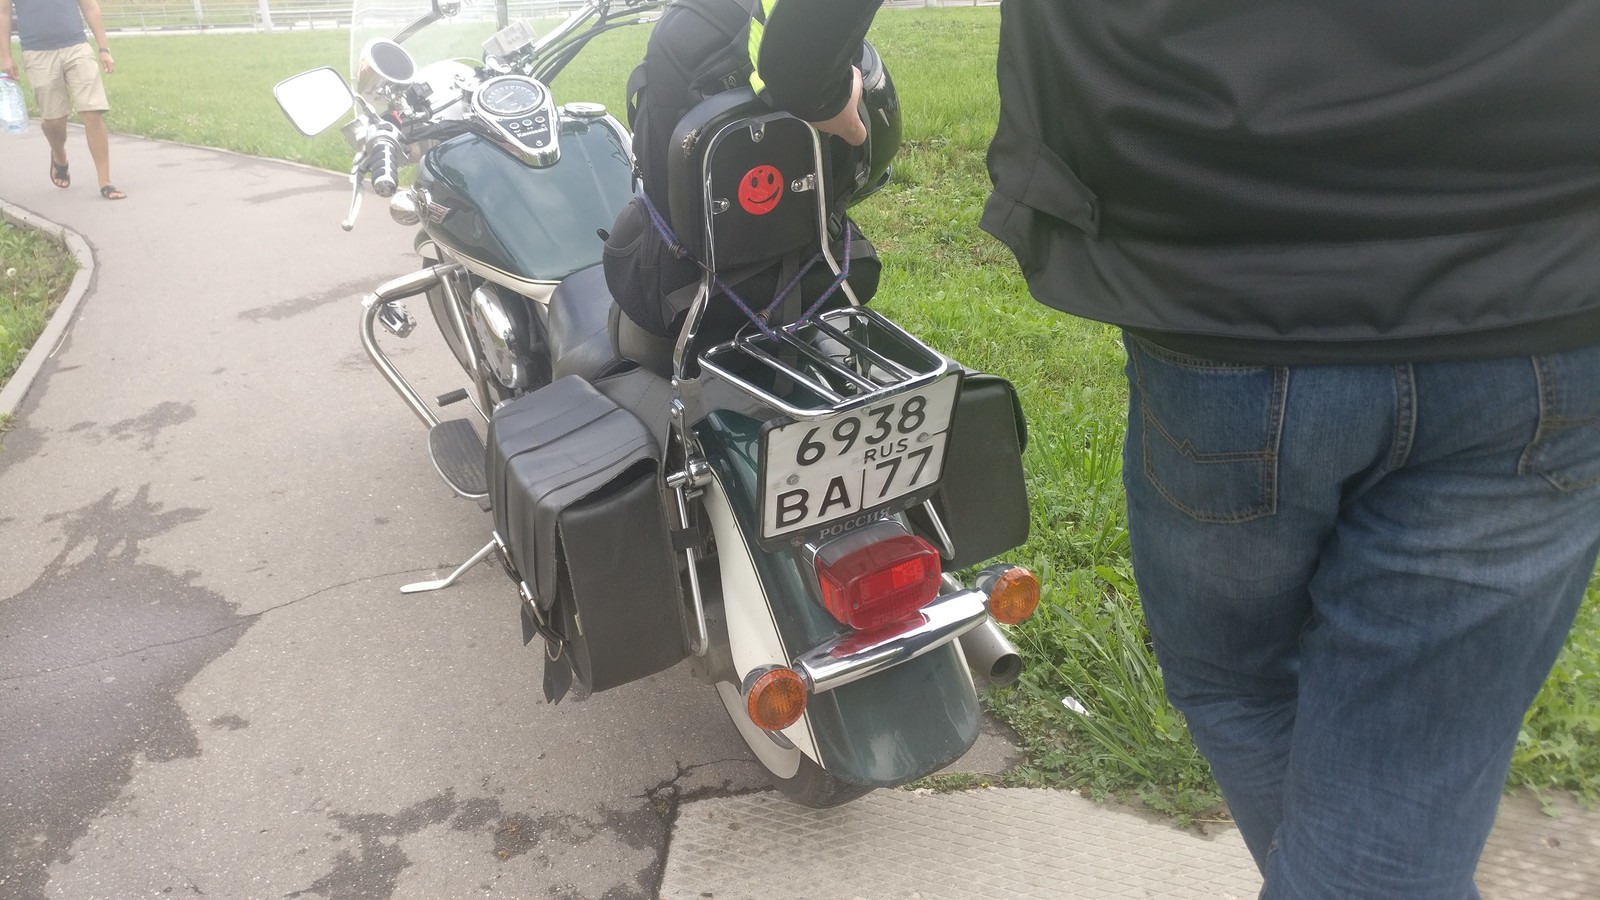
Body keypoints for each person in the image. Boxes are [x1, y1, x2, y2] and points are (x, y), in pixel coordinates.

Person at [753, 2, 1600, 897]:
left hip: (1226, 283)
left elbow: (808, 53)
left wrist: (810, 72)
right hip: (1541, 292)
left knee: (1234, 683)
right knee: (1395, 768)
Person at [0, 0, 125, 200]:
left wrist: (104, 49)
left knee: (92, 112)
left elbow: (90, 6)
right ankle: (59, 154)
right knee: (54, 120)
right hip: (37, 53)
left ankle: (105, 182)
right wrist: (5, 56)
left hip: (77, 47)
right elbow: (3, 13)